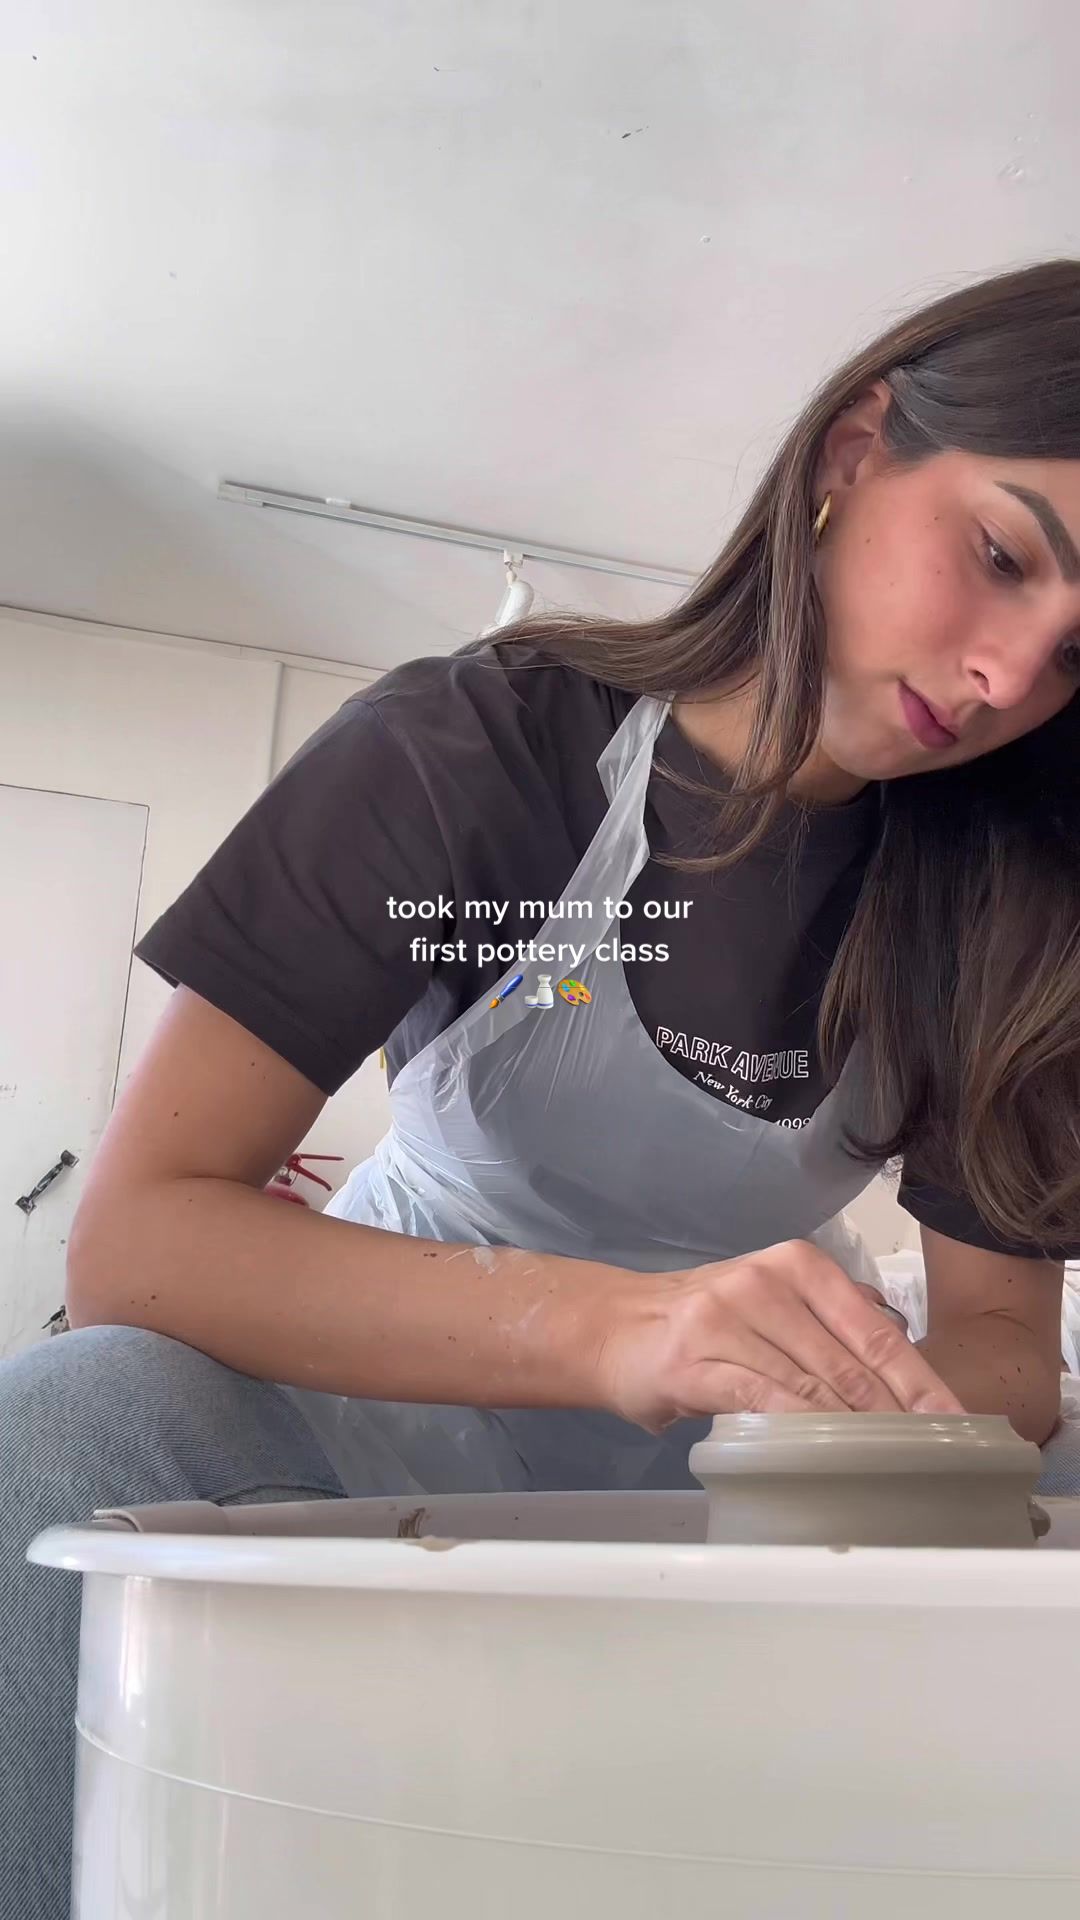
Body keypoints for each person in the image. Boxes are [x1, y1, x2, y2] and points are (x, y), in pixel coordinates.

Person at [4, 258, 1080, 1914]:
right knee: (70, 1417)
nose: (1008, 675)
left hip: (764, 1434)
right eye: (1003, 557)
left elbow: (1005, 1337)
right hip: (400, 1374)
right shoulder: (472, 756)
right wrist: (619, 1330)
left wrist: (877, 1435)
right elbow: (138, 1240)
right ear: (855, 451)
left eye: (1077, 652)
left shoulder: (1012, 902)